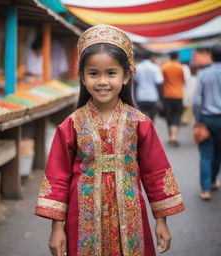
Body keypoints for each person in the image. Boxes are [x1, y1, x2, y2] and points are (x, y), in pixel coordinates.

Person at [35, 24, 185, 256]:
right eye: (93, 73)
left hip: (132, 214)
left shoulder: (140, 122)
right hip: (81, 218)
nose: (102, 81)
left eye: (111, 73)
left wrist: (161, 221)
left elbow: (156, 172)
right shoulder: (71, 125)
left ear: (126, 75)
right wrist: (57, 228)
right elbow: (57, 178)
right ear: (83, 77)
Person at [193, 43, 221, 200]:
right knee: (218, 153)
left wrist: (198, 119)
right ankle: (213, 181)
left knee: (206, 154)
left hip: (207, 119)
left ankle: (205, 190)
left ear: (211, 56)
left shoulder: (204, 74)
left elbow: (197, 101)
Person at [161, 51, 185, 147]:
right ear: (177, 57)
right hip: (178, 95)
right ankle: (174, 136)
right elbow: (183, 80)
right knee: (177, 115)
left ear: (169, 56)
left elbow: (161, 81)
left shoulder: (164, 67)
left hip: (167, 94)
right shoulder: (180, 67)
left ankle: (171, 136)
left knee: (168, 115)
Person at [133, 51, 163, 121]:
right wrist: (161, 98)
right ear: (151, 57)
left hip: (140, 96)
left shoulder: (137, 67)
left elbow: (134, 82)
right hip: (152, 96)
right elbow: (159, 82)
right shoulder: (155, 67)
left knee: (141, 120)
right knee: (152, 119)